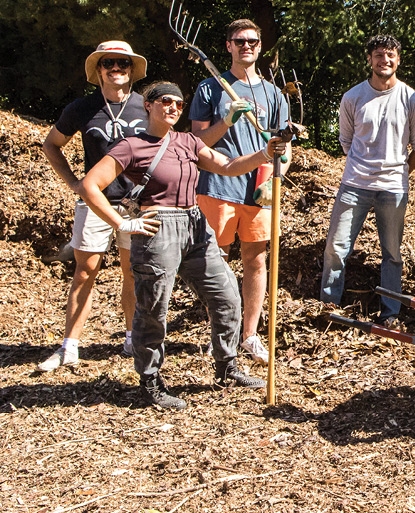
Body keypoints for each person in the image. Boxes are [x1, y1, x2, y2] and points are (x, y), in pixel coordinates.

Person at [78, 81, 288, 410]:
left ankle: (226, 367)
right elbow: (89, 185)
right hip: (157, 228)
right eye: (165, 101)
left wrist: (265, 153)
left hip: (196, 224)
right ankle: (150, 382)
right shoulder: (131, 146)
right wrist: (121, 223)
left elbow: (228, 167)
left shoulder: (188, 142)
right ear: (148, 105)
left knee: (227, 296)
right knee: (153, 310)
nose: (174, 107)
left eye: (178, 102)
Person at [38, 41, 149, 372]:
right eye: (109, 63)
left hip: (138, 203)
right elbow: (52, 144)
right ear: (98, 70)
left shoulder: (146, 106)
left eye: (123, 64)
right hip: (96, 202)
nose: (116, 69)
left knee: (132, 272)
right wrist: (74, 183)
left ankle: (132, 338)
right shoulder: (82, 108)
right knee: (85, 271)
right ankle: (69, 347)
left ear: (132, 70)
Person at [190, 18, 292, 364]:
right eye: (239, 41)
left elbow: (285, 146)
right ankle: (220, 334)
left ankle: (249, 335)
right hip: (218, 184)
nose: (245, 46)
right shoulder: (210, 89)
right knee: (214, 262)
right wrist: (227, 121)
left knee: (256, 259)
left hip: (259, 189)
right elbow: (196, 143)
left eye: (251, 40)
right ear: (229, 46)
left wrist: (276, 175)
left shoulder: (273, 94)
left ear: (260, 46)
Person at [320, 35, 415, 327]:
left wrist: (400, 171)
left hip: (393, 188)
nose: (385, 60)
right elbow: (346, 141)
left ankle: (390, 313)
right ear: (369, 59)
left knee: (392, 253)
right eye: (379, 55)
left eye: (390, 55)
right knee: (336, 247)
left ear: (398, 59)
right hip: (354, 184)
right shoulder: (353, 97)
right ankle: (329, 308)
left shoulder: (412, 100)